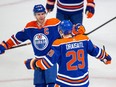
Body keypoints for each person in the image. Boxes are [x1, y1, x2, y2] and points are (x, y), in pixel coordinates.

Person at [24, 20, 111, 87]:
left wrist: (32, 63)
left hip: (65, 82)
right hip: (83, 82)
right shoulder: (84, 39)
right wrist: (106, 57)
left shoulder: (58, 44)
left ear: (60, 32)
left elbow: (46, 63)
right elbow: (95, 51)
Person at [0, 4, 61, 87]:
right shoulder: (30, 27)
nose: (41, 16)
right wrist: (5, 45)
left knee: (51, 83)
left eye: (43, 14)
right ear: (35, 15)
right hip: (38, 60)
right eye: (38, 14)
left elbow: (67, 31)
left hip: (50, 59)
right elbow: (17, 37)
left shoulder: (54, 23)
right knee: (39, 84)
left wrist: (77, 31)